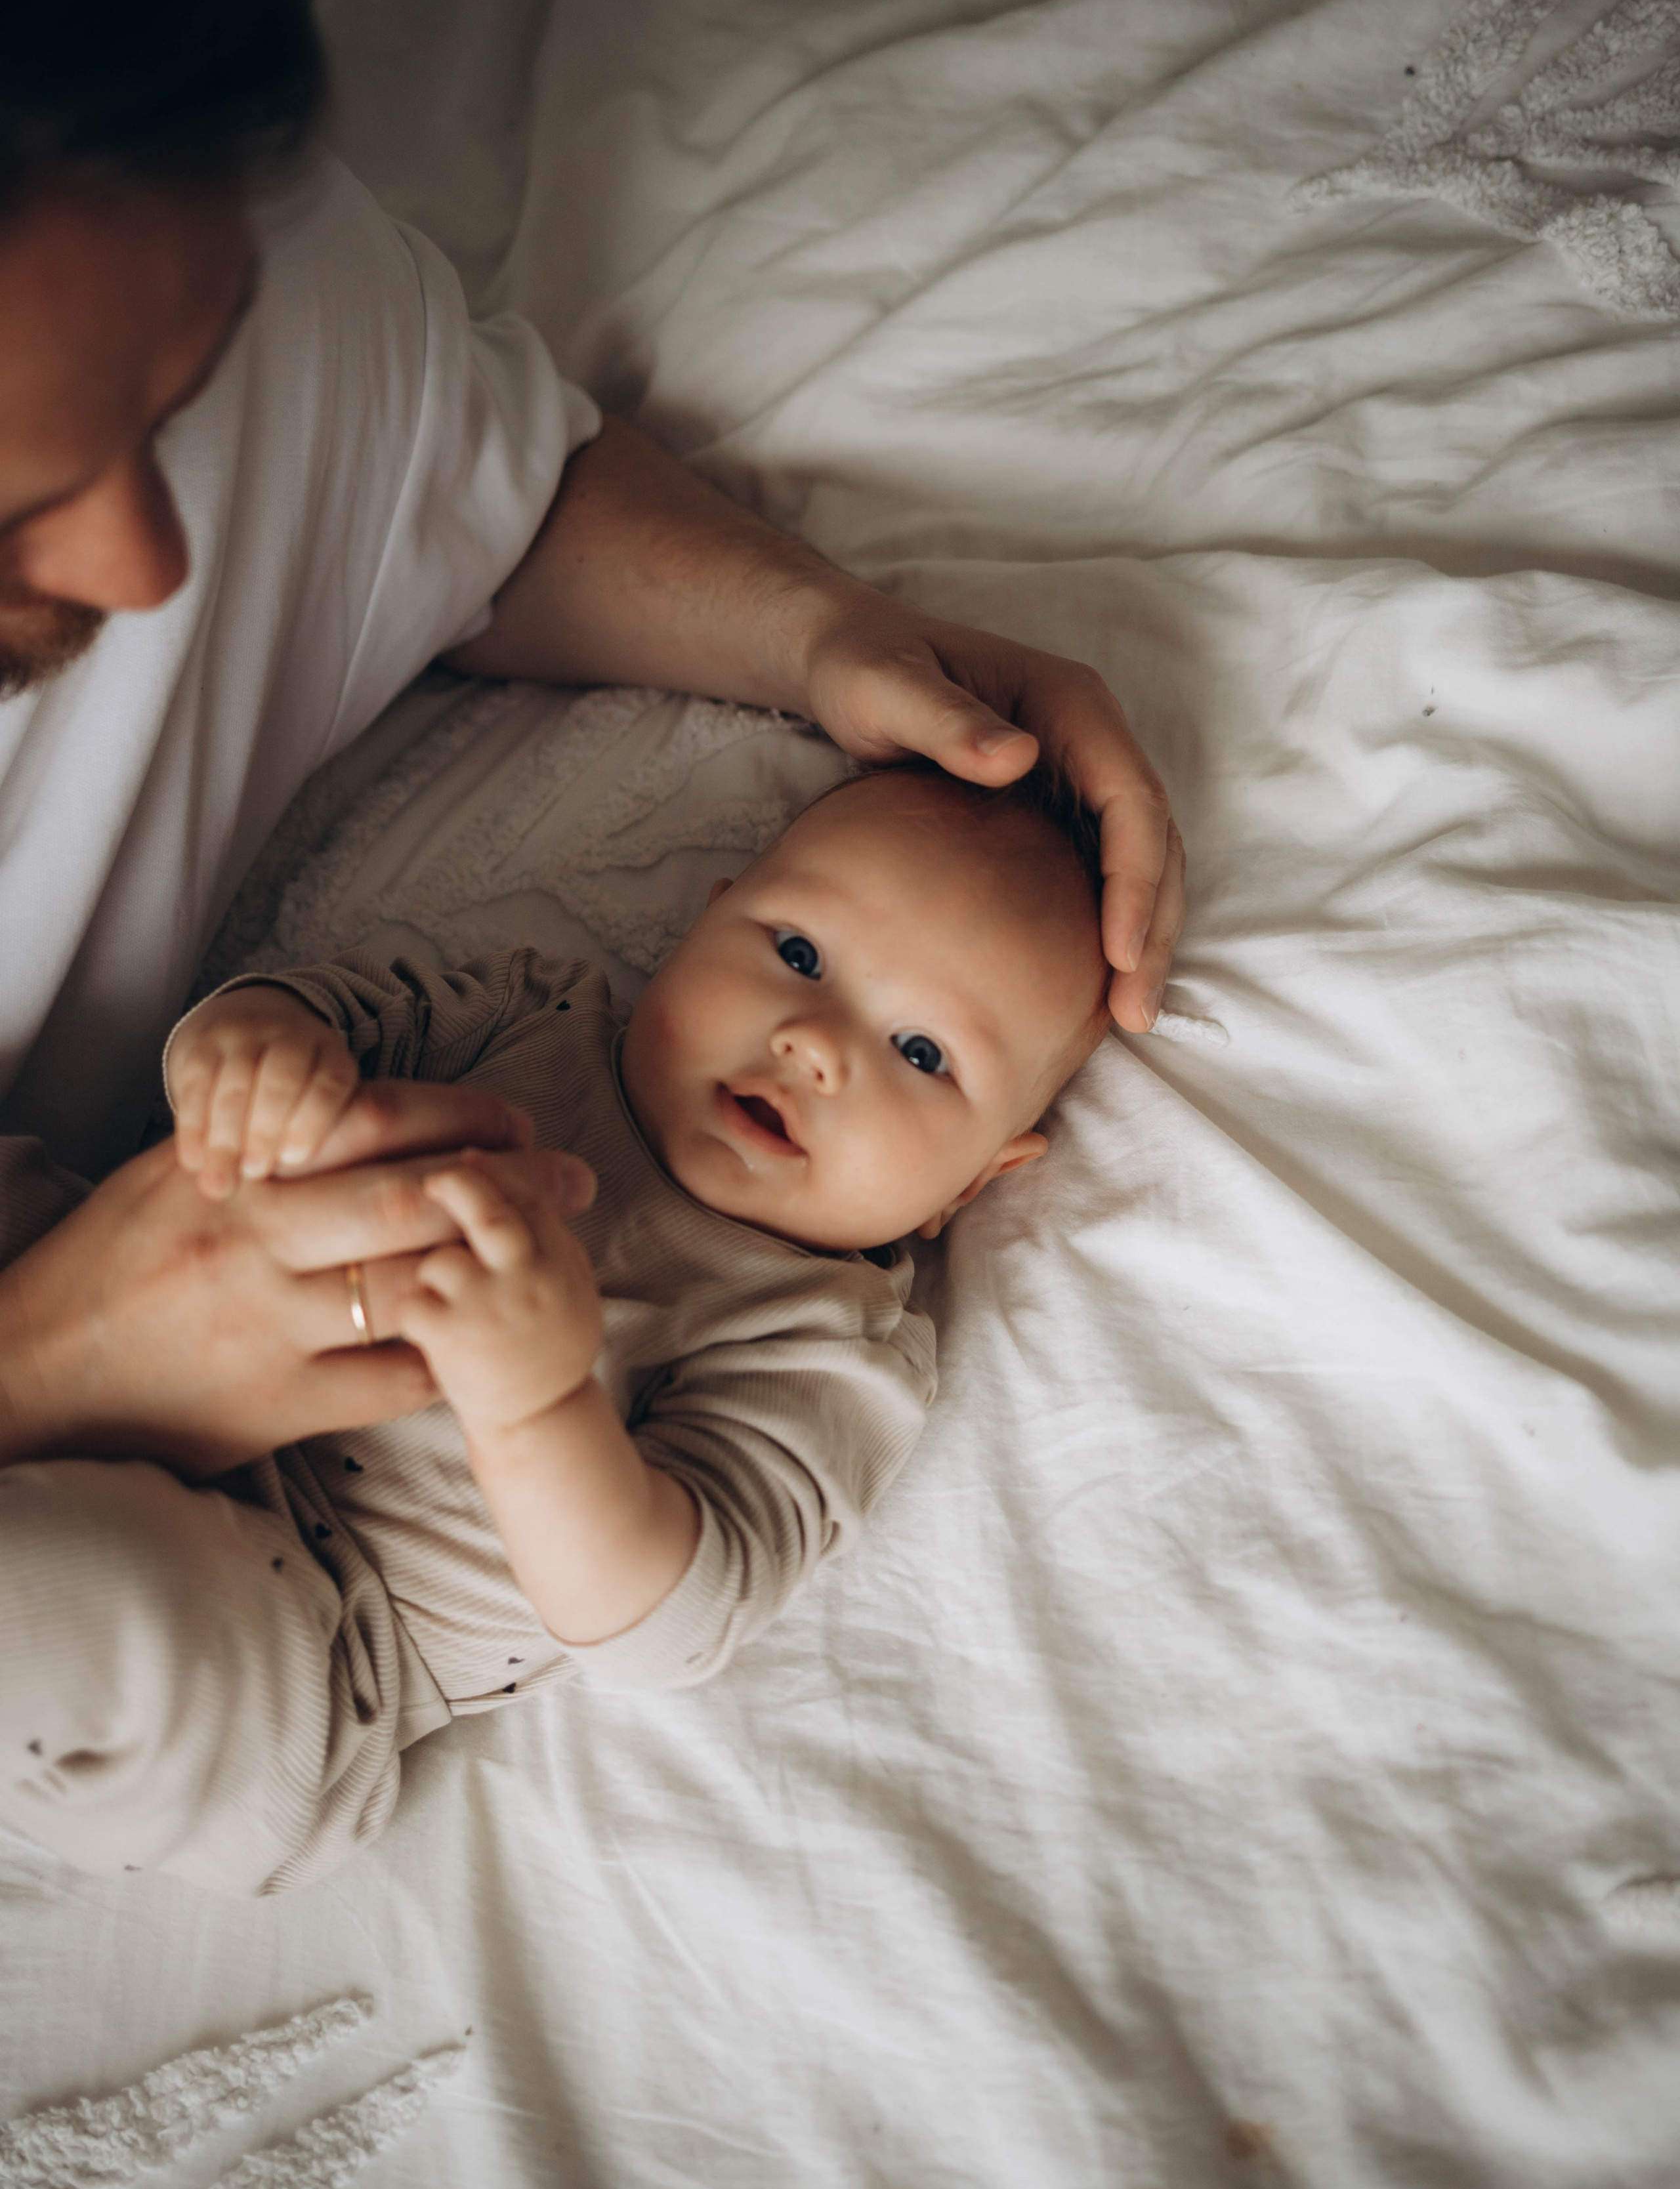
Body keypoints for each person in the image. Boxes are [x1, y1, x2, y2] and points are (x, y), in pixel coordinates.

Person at [0, 0, 1179, 1493]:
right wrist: (43, 1369)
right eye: (18, 501)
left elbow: (464, 487)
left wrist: (825, 637)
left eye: (172, 404)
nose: (148, 574)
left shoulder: (148, 169)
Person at [0, 766, 1111, 1894]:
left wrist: (535, 1404)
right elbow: (315, 1010)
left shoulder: (823, 1340)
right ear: (705, 916)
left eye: (922, 1055)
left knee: (61, 1599)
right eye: (799, 955)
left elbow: (674, 1617)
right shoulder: (534, 1015)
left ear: (971, 1186)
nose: (813, 1041)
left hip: (301, 1634)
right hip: (103, 1289)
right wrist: (246, 1058)